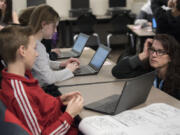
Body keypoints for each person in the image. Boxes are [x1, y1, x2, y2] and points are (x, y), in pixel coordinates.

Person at [0, 25, 84, 135]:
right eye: (34, 48)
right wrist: (70, 114)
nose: (37, 53)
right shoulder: (19, 93)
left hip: (62, 123)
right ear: (22, 51)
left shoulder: (25, 76)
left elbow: (41, 107)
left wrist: (59, 101)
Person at [112, 34, 180, 100]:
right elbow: (117, 72)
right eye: (152, 49)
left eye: (160, 51)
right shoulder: (148, 70)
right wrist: (144, 54)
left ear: (171, 57)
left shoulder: (177, 81)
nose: (153, 55)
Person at [29, 4, 80, 87]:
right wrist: (68, 70)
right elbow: (49, 78)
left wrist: (61, 64)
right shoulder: (36, 46)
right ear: (44, 24)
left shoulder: (34, 41)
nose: (55, 31)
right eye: (54, 26)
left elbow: (42, 63)